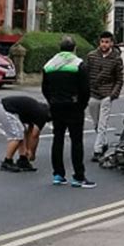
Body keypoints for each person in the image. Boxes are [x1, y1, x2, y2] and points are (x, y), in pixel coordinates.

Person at [42, 36, 95, 188]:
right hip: (74, 107)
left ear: (60, 48)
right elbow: (85, 90)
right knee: (76, 141)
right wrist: (81, 105)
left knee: (57, 140)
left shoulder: (49, 65)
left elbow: (44, 89)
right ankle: (78, 176)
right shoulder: (78, 64)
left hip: (56, 107)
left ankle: (58, 174)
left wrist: (52, 101)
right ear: (74, 48)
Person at [87, 31, 124, 162]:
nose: (104, 44)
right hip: (93, 94)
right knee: (96, 123)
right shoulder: (91, 56)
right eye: (102, 41)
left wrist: (113, 95)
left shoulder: (116, 58)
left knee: (103, 123)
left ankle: (97, 150)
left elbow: (119, 79)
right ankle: (104, 142)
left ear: (112, 43)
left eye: (107, 42)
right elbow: (87, 75)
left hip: (107, 94)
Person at [0, 96, 51, 173]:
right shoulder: (42, 114)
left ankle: (23, 159)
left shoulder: (38, 110)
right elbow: (35, 135)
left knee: (21, 132)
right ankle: (7, 161)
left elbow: (29, 132)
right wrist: (32, 153)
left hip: (3, 106)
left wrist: (27, 150)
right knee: (16, 136)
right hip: (5, 108)